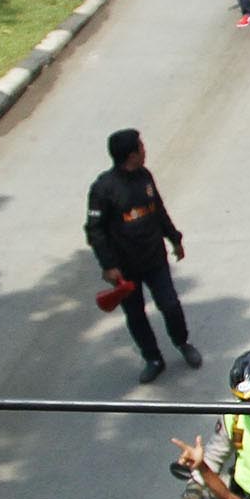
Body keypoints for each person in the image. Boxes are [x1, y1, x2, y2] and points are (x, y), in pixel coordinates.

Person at [83, 127, 201, 382]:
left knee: (170, 305)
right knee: (136, 315)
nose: (145, 150)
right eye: (141, 147)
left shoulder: (145, 177)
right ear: (131, 154)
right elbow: (94, 230)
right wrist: (109, 265)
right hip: (125, 269)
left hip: (154, 259)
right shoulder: (103, 189)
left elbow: (158, 209)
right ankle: (153, 358)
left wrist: (174, 238)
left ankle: (182, 343)